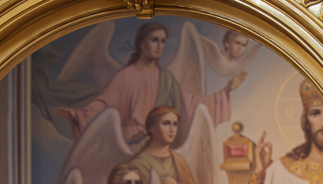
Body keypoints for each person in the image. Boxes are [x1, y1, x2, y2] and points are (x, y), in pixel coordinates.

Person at [54, 22, 243, 144]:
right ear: (141, 44)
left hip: (157, 144)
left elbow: (191, 103)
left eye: (162, 41)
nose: (159, 45)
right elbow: (104, 105)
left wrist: (225, 91)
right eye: (154, 40)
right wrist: (77, 114)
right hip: (129, 144)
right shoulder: (126, 76)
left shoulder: (167, 78)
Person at [130, 106, 204, 184]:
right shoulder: (139, 163)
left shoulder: (179, 161)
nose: (172, 129)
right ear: (152, 128)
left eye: (175, 124)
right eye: (166, 123)